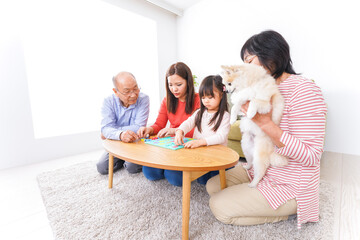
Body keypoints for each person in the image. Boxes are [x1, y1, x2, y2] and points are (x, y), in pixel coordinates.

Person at [206, 30, 327, 229]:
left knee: (218, 206)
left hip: (289, 185)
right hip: (262, 169)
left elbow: (312, 156)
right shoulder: (261, 87)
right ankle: (253, 194)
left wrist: (266, 124)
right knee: (213, 186)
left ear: (270, 55)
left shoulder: (305, 90)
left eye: (248, 60)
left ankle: (286, 212)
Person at [137, 62, 200, 186]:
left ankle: (176, 169)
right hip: (172, 145)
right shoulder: (167, 100)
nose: (174, 89)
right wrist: (149, 129)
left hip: (190, 146)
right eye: (170, 85)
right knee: (150, 173)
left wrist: (175, 130)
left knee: (175, 179)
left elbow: (199, 131)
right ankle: (169, 166)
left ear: (188, 82)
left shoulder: (199, 100)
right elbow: (159, 125)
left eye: (179, 84)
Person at [174, 75, 230, 184]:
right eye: (203, 97)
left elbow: (221, 136)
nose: (206, 101)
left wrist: (201, 142)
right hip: (201, 155)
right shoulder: (200, 112)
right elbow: (188, 123)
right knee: (201, 179)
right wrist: (180, 131)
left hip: (217, 156)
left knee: (211, 180)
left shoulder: (225, 116)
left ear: (221, 95)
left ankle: (228, 168)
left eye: (210, 97)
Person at [97, 71, 150, 175]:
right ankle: (122, 159)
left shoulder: (144, 99)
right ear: (116, 92)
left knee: (132, 167)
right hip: (116, 141)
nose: (133, 94)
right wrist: (120, 135)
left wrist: (113, 131)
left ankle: (127, 161)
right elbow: (106, 128)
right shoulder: (108, 102)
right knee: (102, 167)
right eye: (127, 91)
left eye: (135, 88)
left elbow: (139, 126)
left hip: (136, 141)